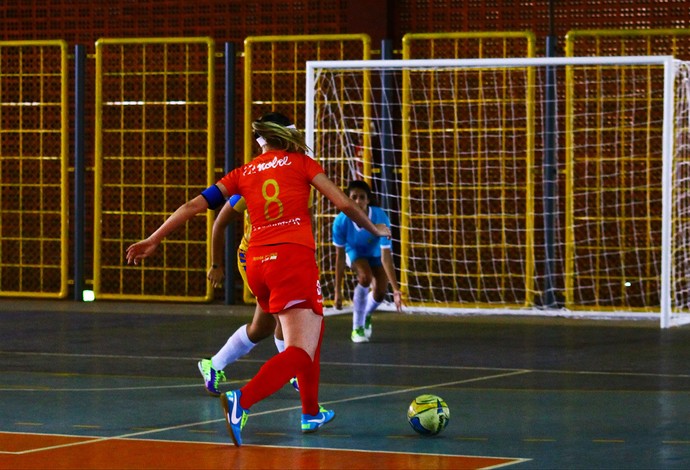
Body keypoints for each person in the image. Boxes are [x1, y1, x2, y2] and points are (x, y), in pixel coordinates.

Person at [126, 112, 391, 447]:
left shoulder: (244, 172)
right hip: (291, 260)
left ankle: (310, 413)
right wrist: (373, 228)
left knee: (308, 332)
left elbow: (193, 205)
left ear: (261, 142)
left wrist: (154, 238)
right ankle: (243, 401)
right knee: (300, 351)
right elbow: (343, 204)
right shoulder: (301, 163)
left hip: (256, 266)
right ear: (289, 137)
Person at [198, 194, 298, 397]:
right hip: (253, 259)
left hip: (277, 259)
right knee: (283, 312)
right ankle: (294, 371)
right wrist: (216, 264)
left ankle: (213, 365)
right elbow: (219, 223)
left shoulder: (296, 187)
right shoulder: (247, 189)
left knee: (261, 328)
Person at [332, 180, 402, 343]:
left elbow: (386, 256)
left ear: (368, 200)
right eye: (353, 197)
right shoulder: (341, 222)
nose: (358, 201)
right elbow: (340, 258)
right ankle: (357, 327)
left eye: (362, 197)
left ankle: (366, 313)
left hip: (375, 253)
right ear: (348, 200)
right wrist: (337, 292)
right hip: (354, 252)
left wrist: (396, 289)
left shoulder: (380, 217)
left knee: (380, 292)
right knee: (365, 277)